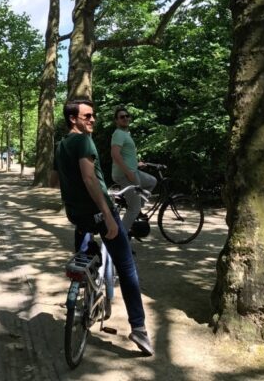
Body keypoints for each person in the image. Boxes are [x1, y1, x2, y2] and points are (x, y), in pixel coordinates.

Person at [50, 100, 154, 356]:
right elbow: (88, 177)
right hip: (98, 212)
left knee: (86, 255)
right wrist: (107, 214)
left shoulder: (60, 146)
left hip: (77, 215)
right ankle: (139, 328)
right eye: (87, 116)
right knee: (127, 266)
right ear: (73, 119)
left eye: (93, 115)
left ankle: (88, 284)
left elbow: (55, 181)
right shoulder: (84, 141)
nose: (93, 119)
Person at [110, 107, 157, 232]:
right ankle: (122, 238)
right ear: (116, 120)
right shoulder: (119, 133)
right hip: (126, 174)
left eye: (127, 116)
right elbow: (115, 154)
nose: (125, 118)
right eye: (121, 117)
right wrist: (128, 172)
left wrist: (136, 164)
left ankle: (136, 206)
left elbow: (125, 155)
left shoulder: (125, 134)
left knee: (152, 181)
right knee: (133, 209)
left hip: (132, 171)